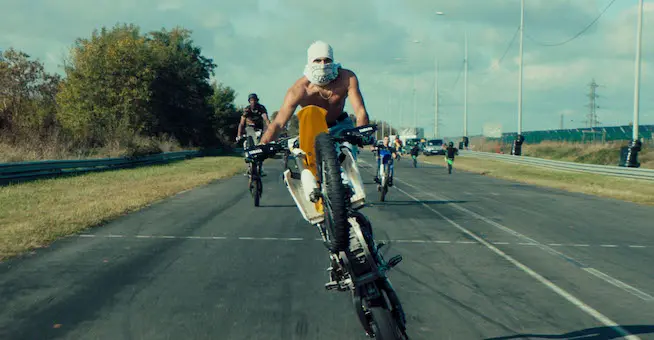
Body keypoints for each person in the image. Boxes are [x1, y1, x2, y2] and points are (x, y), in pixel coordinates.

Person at [259, 40, 371, 152]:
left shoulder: (346, 78)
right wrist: (262, 146)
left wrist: (361, 132)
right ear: (310, 62)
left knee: (348, 155)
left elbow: (360, 111)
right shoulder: (299, 90)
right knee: (307, 161)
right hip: (312, 130)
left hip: (341, 126)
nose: (322, 65)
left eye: (327, 60)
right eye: (317, 60)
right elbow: (278, 123)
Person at [237, 93, 270, 176]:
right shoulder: (247, 109)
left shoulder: (261, 108)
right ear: (249, 102)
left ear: (257, 100)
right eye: (251, 100)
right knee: (246, 145)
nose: (253, 102)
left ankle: (260, 168)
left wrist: (270, 130)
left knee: (260, 146)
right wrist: (239, 135)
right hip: (249, 128)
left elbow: (266, 119)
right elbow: (241, 123)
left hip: (259, 129)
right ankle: (249, 167)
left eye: (254, 100)